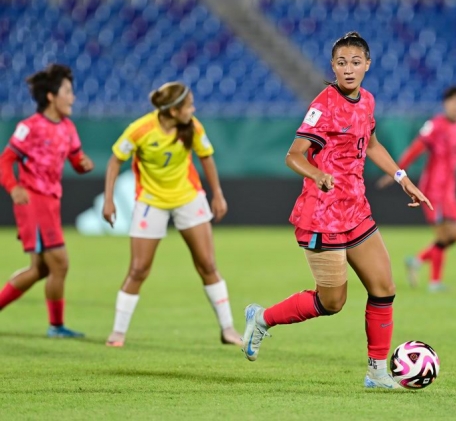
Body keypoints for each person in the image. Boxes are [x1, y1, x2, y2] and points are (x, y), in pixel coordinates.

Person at [240, 32, 432, 389]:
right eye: (341, 63)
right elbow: (293, 155)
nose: (348, 69)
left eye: (355, 62)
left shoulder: (368, 101)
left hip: (356, 210)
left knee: (384, 287)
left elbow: (371, 144)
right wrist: (318, 174)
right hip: (321, 214)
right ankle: (262, 318)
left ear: (367, 65)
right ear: (333, 66)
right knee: (332, 302)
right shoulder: (323, 105)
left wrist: (402, 176)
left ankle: (376, 372)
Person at [102, 82, 242, 347]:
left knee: (208, 265)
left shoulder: (193, 127)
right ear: (174, 110)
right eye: (189, 105)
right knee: (138, 269)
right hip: (151, 201)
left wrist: (218, 193)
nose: (193, 108)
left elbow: (207, 157)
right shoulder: (140, 129)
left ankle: (228, 329)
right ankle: (118, 333)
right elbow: (114, 160)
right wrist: (109, 200)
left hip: (188, 198)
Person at [0, 64, 94, 337]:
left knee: (40, 269)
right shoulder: (29, 128)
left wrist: (83, 164)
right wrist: (13, 186)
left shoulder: (68, 128)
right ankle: (56, 327)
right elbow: (6, 161)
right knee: (60, 263)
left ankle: (56, 325)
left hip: (52, 201)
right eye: (67, 91)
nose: (72, 97)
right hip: (34, 201)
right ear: (51, 96)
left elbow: (76, 159)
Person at [378, 86, 456, 292]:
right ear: (445, 104)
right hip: (433, 189)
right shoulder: (434, 125)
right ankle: (434, 282)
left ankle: (417, 261)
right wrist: (397, 171)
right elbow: (416, 148)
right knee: (446, 233)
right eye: (452, 101)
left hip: (449, 190)